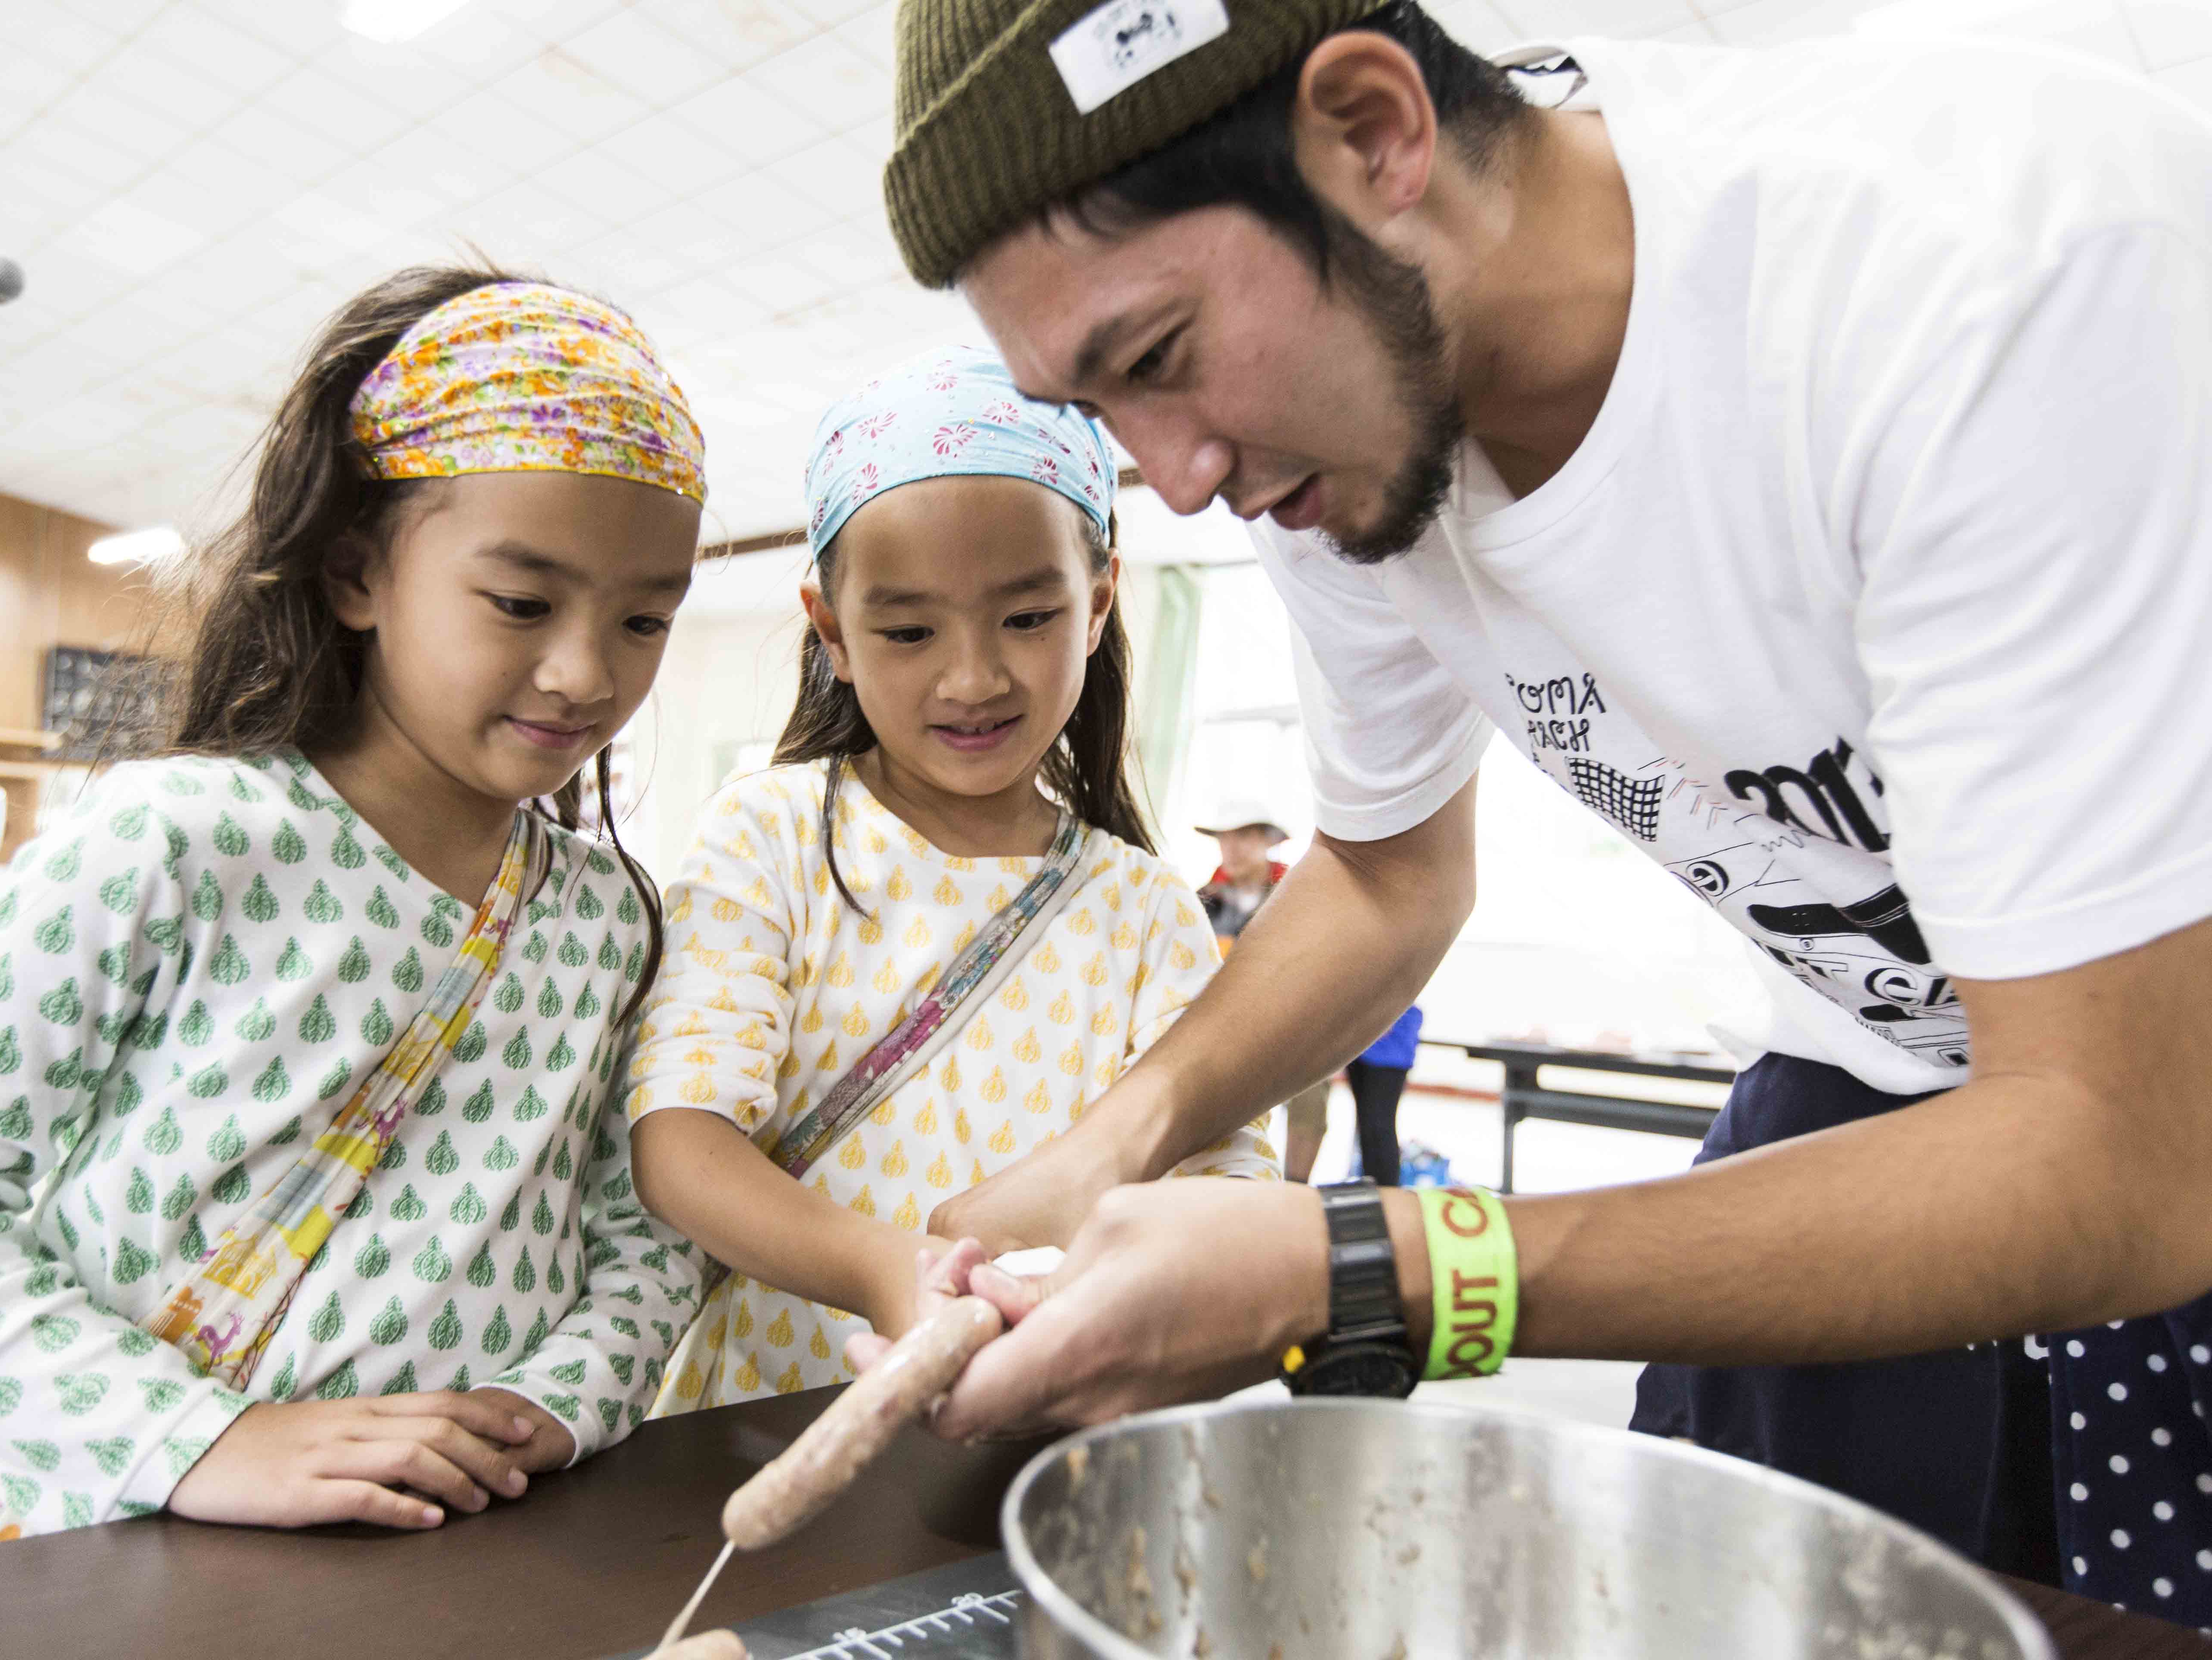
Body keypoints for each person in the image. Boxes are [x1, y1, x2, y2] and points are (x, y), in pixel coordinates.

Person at [868, 0, 2212, 1617]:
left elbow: (2124, 1148)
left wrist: (1371, 1269)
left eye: (1157, 357)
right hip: (1871, 1079)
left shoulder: (1971, 269)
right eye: (1098, 413)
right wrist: (1111, 1143)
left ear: (1372, 133)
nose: (1176, 475)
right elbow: (1384, 870)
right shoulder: (1342, 437)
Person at [0, 268, 708, 1553]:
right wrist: (192, 1437)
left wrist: (553, 1400)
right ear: (356, 574)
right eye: (520, 601)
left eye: (647, 617)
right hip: (117, 1548)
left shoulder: (611, 918)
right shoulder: (176, 838)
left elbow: (646, 1232)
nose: (586, 670)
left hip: (457, 1562)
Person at [624, 346, 1275, 1413]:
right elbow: (681, 1141)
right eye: (909, 629)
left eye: (1026, 617)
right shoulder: (771, 835)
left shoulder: (1147, 911)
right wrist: (890, 1273)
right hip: (761, 1421)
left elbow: (1224, 1191)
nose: (971, 677)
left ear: (1100, 600)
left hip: (1046, 1428)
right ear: (832, 629)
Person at [1193, 797, 1334, 1182]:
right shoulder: (1200, 902)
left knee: (1311, 1095)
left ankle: (1295, 1189)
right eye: (1225, 838)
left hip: (1292, 1021)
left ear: (1268, 841)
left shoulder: (1300, 896)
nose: (1232, 848)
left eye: (1244, 837)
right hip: (1222, 1026)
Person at [1346, 1003, 1422, 1184]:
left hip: (1391, 1042)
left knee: (1380, 1127)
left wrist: (1388, 1011)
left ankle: (1388, 1199)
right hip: (1360, 1043)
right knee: (1367, 1129)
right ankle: (1372, 1195)